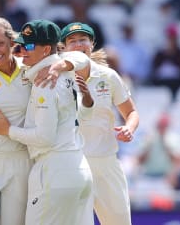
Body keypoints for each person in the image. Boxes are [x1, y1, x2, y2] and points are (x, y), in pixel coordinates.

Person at [0, 17, 90, 225]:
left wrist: (58, 65)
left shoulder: (32, 69)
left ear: (12, 43)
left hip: (21, 160)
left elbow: (82, 59)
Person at [60, 22, 140, 225]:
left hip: (106, 162)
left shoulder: (108, 75)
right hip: (71, 164)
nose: (78, 45)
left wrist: (129, 128)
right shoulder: (57, 77)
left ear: (92, 43)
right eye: (72, 41)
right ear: (63, 47)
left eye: (82, 40)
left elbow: (131, 112)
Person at [150, 23, 180, 102]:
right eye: (170, 37)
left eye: (173, 37)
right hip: (161, 83)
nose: (171, 39)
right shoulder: (159, 53)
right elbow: (155, 70)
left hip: (177, 84)